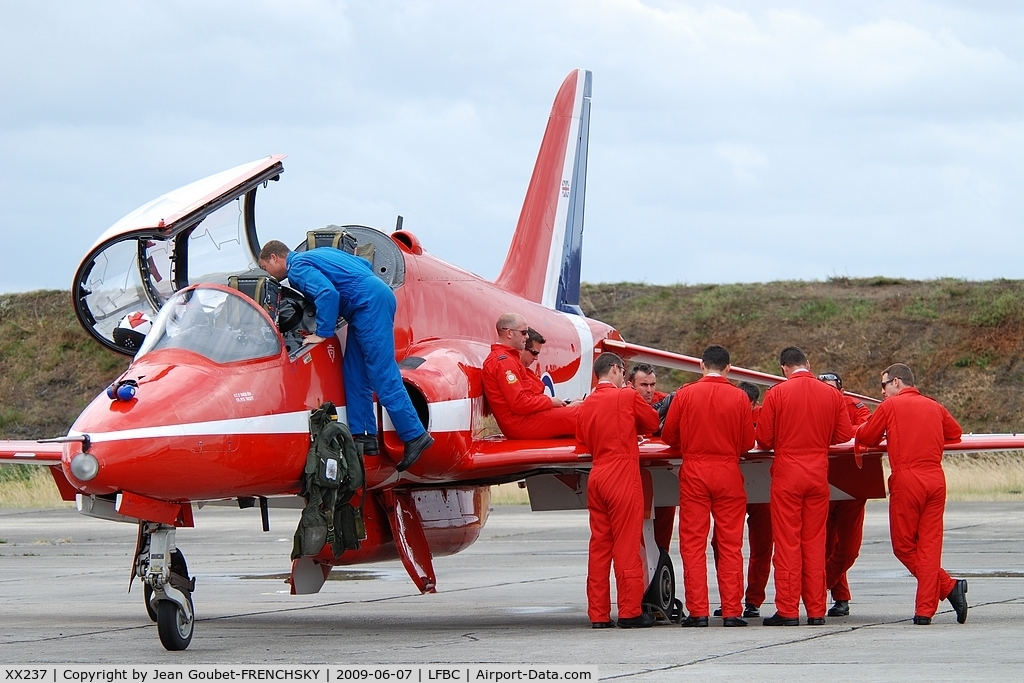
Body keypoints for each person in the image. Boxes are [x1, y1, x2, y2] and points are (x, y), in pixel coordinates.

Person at [258, 240, 432, 472]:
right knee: (354, 373)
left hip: (369, 305)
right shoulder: (319, 254)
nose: (267, 274)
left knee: (381, 373)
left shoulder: (297, 268)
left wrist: (322, 333)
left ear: (273, 258)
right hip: (367, 304)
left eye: (265, 268)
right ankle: (364, 437)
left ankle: (415, 435)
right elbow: (361, 263)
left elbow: (327, 293)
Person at [855, 363, 967, 625]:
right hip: (935, 478)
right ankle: (924, 611)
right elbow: (956, 433)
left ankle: (949, 587)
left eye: (883, 385)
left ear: (896, 382)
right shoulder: (934, 406)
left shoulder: (890, 407)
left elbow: (869, 436)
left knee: (904, 546)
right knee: (929, 546)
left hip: (908, 479)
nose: (881, 392)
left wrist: (857, 430)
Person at [756, 346, 854, 626]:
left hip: (788, 474)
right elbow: (844, 434)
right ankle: (816, 610)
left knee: (787, 544)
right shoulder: (832, 395)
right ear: (808, 364)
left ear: (784, 368)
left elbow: (764, 439)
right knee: (815, 543)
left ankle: (787, 610)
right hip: (818, 474)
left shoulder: (777, 394)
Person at [662, 345, 754, 627]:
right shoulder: (739, 397)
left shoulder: (686, 394)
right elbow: (747, 443)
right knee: (730, 544)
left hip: (694, 472)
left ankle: (698, 611)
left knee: (692, 543)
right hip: (728, 471)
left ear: (701, 365)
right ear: (728, 368)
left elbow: (669, 435)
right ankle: (731, 611)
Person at [576, 352, 660, 628]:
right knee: (626, 544)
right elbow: (651, 422)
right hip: (622, 474)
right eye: (623, 371)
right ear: (615, 369)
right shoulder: (626, 396)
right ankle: (630, 611)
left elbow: (583, 439)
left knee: (599, 546)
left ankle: (598, 614)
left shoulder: (586, 404)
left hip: (597, 474)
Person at [712, 381, 772, 619]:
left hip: (762, 492)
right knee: (721, 543)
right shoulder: (724, 414)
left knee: (763, 547)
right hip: (730, 487)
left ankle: (754, 600)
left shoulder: (764, 415)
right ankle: (731, 598)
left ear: (754, 404)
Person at [818, 371, 872, 618]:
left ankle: (819, 587)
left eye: (832, 388)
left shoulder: (853, 405)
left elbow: (867, 427)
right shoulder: (814, 406)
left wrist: (840, 431)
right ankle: (840, 597)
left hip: (850, 485)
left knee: (848, 548)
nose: (828, 393)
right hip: (821, 482)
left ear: (841, 390)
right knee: (825, 547)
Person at [481, 313, 580, 439]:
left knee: (585, 410)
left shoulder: (509, 359)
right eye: (524, 333)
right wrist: (550, 402)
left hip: (526, 420)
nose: (527, 337)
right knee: (587, 414)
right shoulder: (504, 362)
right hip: (522, 424)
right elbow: (519, 403)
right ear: (509, 333)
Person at [627, 363, 675, 553]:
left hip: (661, 473)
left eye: (652, 384)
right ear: (631, 384)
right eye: (644, 385)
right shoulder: (620, 401)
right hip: (631, 476)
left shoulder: (666, 401)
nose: (649, 390)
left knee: (663, 533)